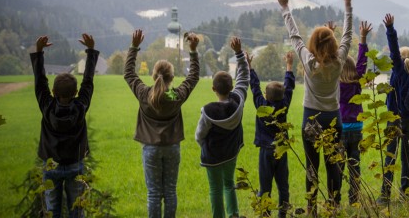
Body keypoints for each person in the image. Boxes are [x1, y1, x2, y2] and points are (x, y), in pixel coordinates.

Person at [276, 0, 353, 216]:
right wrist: (347, 4)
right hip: (333, 119)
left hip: (311, 119)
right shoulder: (339, 61)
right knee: (333, 166)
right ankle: (334, 206)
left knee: (312, 166)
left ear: (314, 45)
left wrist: (285, 8)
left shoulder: (309, 63)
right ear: (333, 44)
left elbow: (295, 36)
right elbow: (348, 35)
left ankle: (311, 209)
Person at [124, 29, 200, 218]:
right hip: (172, 148)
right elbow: (193, 77)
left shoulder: (144, 94)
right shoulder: (176, 96)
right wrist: (193, 51)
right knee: (170, 192)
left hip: (150, 149)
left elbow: (128, 74)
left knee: (153, 194)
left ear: (153, 75)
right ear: (172, 78)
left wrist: (134, 47)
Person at [30, 33, 99, 218]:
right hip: (75, 165)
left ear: (53, 92)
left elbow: (39, 82)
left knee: (52, 211)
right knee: (77, 210)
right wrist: (91, 52)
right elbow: (88, 81)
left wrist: (38, 52)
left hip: (51, 166)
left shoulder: (47, 106)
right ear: (76, 92)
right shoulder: (80, 106)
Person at [377, 13, 409, 204]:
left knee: (390, 157)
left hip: (394, 119)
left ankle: (384, 196)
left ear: (397, 60)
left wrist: (390, 29)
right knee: (407, 158)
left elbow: (392, 50)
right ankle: (405, 193)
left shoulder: (398, 71)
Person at [196, 37, 249, 218]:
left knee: (215, 189)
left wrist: (204, 146)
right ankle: (234, 214)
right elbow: (244, 78)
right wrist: (239, 54)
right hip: (232, 153)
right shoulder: (238, 101)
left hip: (212, 156)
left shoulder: (208, 112)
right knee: (229, 183)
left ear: (213, 89)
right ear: (231, 87)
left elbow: (199, 135)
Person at [246, 50, 295, 218]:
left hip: (266, 151)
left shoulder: (261, 105)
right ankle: (283, 214)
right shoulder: (284, 105)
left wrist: (250, 67)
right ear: (282, 96)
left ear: (266, 96)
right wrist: (289, 66)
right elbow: (289, 87)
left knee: (264, 187)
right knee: (283, 186)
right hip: (281, 150)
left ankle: (265, 214)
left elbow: (255, 88)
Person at [338, 20, 372, 205]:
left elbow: (332, 63)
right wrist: (363, 39)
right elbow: (362, 63)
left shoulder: (336, 85)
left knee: (338, 165)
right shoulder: (357, 82)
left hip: (341, 128)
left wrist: (330, 35)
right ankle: (354, 198)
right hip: (357, 128)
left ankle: (335, 196)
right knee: (354, 165)